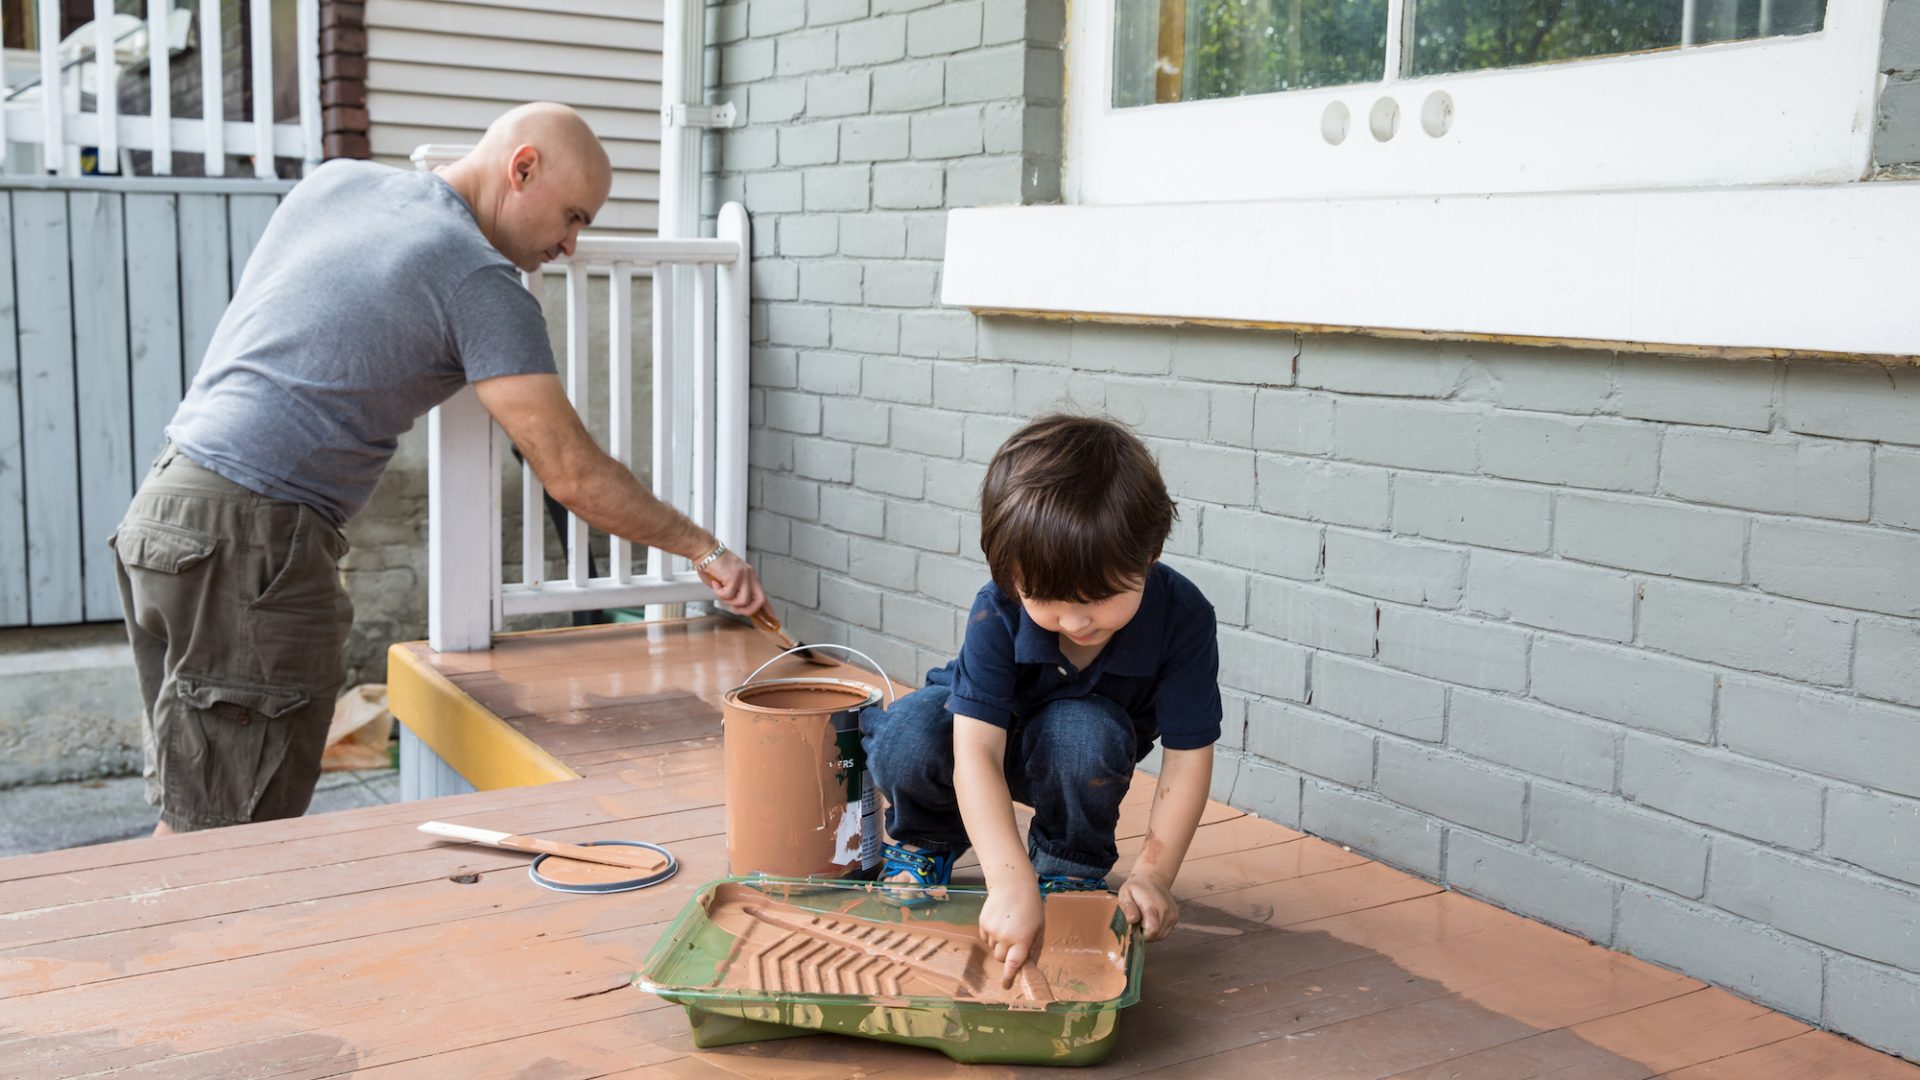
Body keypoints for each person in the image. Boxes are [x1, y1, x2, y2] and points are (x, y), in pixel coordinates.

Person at [111, 102, 765, 836]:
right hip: (255, 542)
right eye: (573, 217)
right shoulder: (479, 281)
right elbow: (573, 474)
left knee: (197, 809)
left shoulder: (338, 183)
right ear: (522, 169)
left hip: (167, 512)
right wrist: (703, 549)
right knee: (233, 836)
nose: (572, 246)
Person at [859, 414, 1220, 987]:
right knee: (906, 732)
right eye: (1046, 598)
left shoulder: (1183, 617)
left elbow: (1188, 756)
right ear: (1009, 575)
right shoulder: (996, 607)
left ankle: (1068, 867)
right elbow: (975, 752)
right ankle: (928, 840)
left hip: (1076, 756)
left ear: (1149, 555)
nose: (1076, 621)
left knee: (1083, 729)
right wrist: (1006, 881)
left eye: (1100, 598)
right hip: (980, 739)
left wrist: (1154, 874)